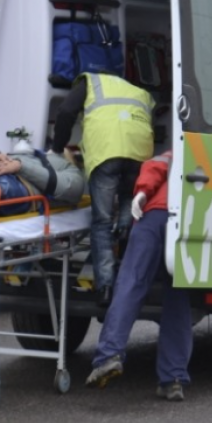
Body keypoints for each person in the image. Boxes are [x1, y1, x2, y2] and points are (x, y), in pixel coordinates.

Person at [84, 151, 192, 401]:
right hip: (188, 221)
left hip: (154, 215)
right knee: (178, 296)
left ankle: (109, 355)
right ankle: (172, 379)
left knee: (131, 283)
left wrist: (142, 193)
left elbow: (155, 166)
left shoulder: (179, 148)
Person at [51, 72, 154, 307]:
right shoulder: (135, 89)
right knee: (130, 200)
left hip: (107, 152)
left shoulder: (89, 82)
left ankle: (106, 286)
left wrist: (57, 148)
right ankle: (125, 235)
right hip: (139, 151)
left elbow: (66, 112)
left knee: (102, 221)